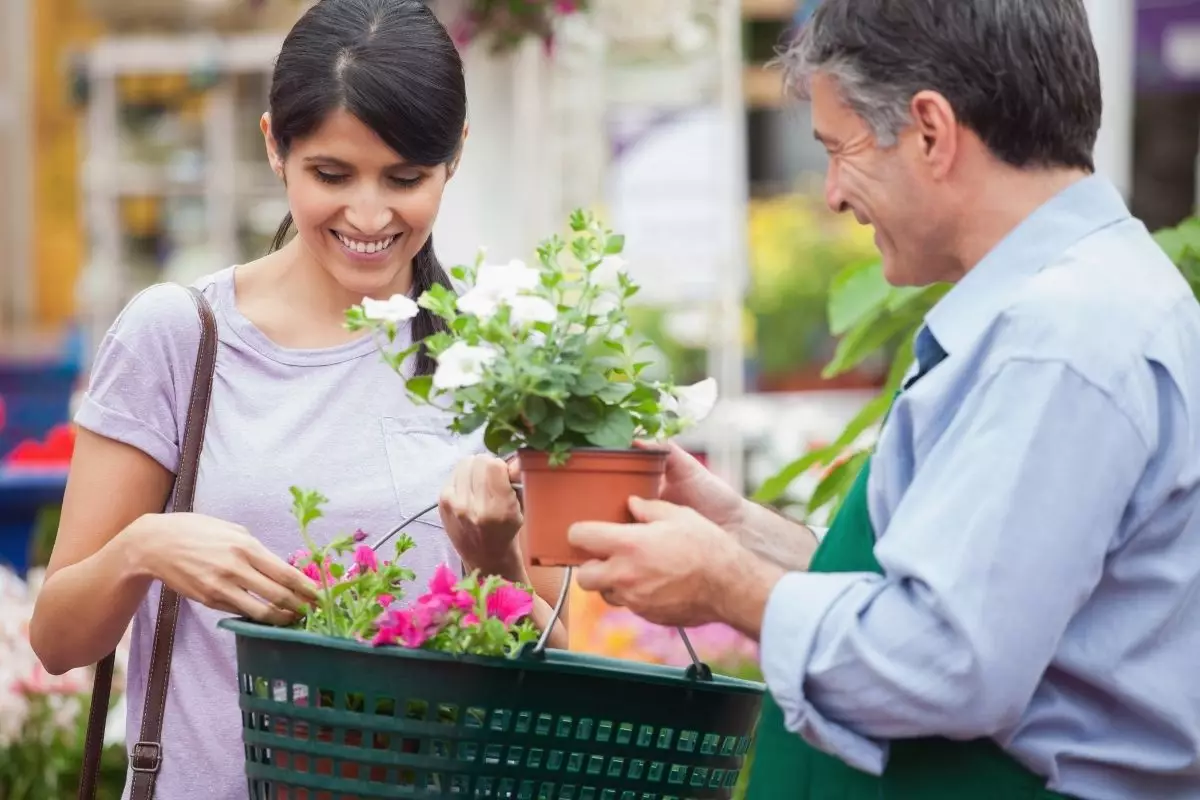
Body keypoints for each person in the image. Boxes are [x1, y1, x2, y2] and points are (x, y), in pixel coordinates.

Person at [568, 1, 1200, 798]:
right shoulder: (1070, 304)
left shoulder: (1060, 339)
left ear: (931, 131)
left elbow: (949, 660)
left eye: (840, 149)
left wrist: (729, 582)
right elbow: (970, 594)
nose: (832, 194)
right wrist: (741, 532)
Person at [28, 1, 562, 797]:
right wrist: (145, 547)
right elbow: (59, 639)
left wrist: (495, 558)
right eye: (332, 174)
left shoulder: (497, 360)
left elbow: (550, 669)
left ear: (455, 156)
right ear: (275, 144)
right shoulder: (180, 337)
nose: (371, 215)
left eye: (406, 178)